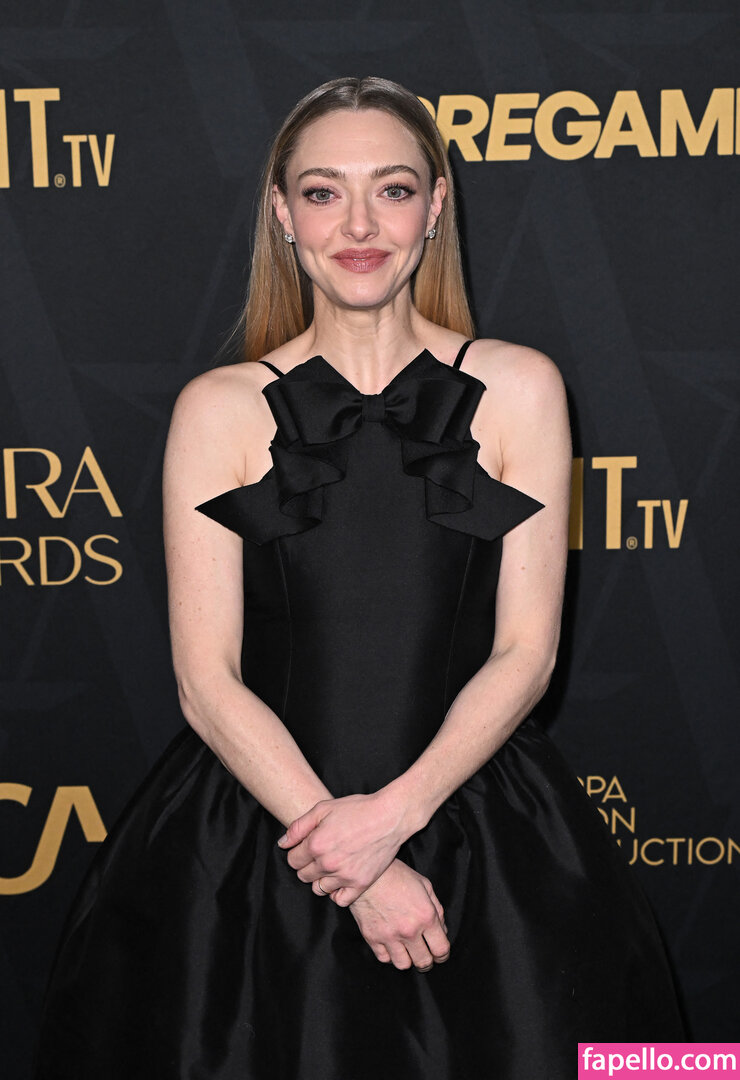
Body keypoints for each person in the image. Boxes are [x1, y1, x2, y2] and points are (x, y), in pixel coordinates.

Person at [34, 75, 685, 1080]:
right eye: (323, 192)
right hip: (256, 832)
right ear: (282, 214)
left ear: (435, 207)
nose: (359, 225)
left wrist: (393, 818)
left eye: (391, 189)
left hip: (475, 824)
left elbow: (527, 652)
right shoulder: (217, 408)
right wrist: (354, 866)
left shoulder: (520, 387)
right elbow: (206, 681)